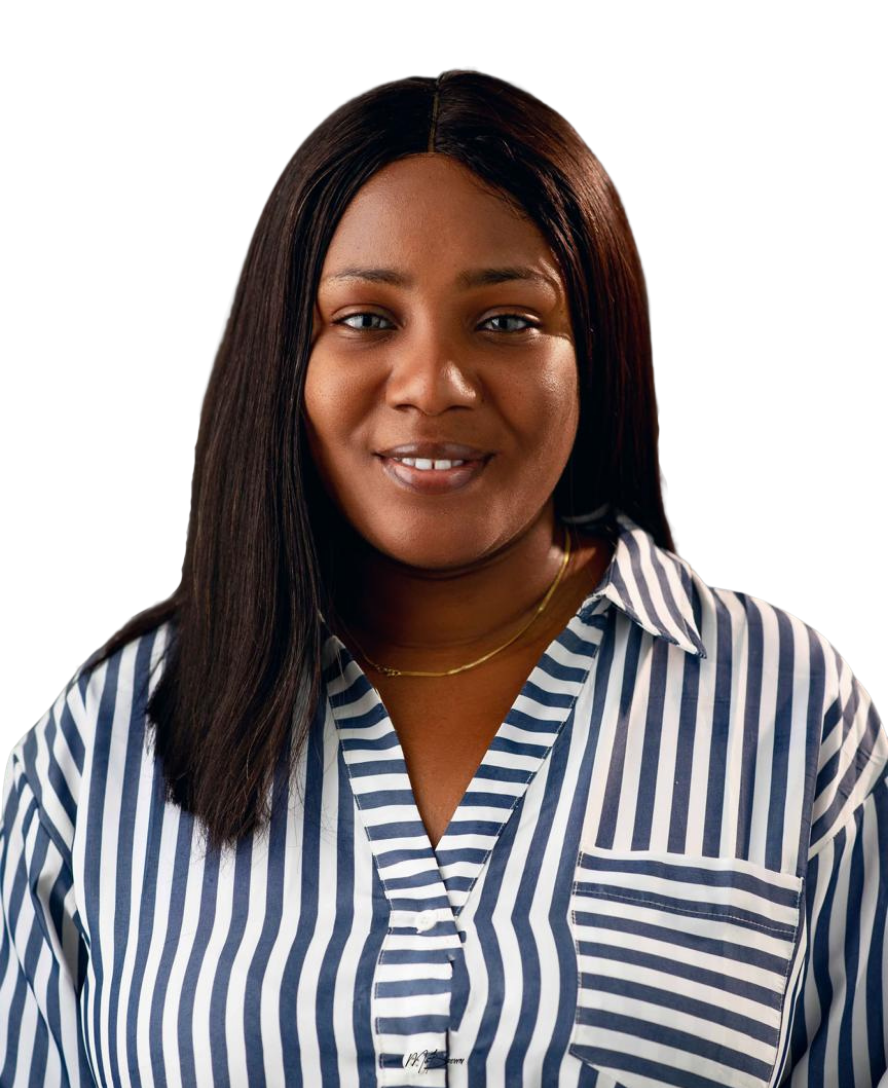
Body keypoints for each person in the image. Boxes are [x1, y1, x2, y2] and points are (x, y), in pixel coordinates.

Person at [1, 69, 884, 1088]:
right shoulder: (102, 742)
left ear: (596, 349)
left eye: (506, 321)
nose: (432, 386)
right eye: (365, 319)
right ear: (285, 355)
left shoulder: (791, 709)